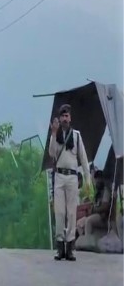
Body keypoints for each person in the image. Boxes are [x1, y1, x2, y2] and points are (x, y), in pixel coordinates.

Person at [48, 102, 92, 261]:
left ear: (70, 117)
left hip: (73, 177)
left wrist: (87, 179)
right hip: (59, 176)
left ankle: (70, 248)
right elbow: (52, 153)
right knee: (59, 212)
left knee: (72, 212)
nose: (65, 119)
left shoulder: (77, 136)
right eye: (63, 116)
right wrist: (53, 134)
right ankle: (60, 247)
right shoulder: (56, 134)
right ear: (59, 118)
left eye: (67, 116)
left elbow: (84, 159)